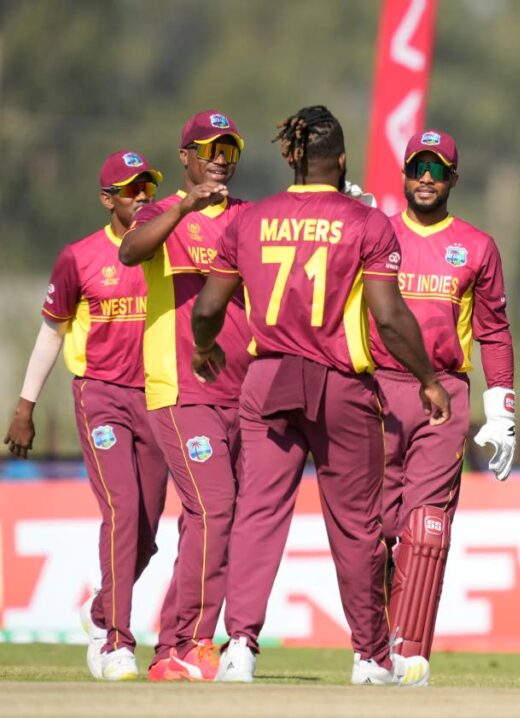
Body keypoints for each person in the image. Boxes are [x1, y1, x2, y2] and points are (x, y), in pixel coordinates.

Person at [191, 105, 450, 687]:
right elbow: (389, 315)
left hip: (267, 377)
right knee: (355, 524)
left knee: (257, 514)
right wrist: (429, 379)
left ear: (290, 157)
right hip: (341, 383)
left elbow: (207, 308)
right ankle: (369, 657)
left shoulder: (248, 220)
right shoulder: (366, 221)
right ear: (343, 160)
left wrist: (202, 348)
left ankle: (240, 648)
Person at [3, 151, 169, 681]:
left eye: (147, 186)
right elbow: (52, 330)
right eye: (130, 189)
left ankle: (100, 609)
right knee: (122, 510)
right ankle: (116, 642)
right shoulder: (79, 257)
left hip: (159, 397)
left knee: (146, 531)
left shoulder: (167, 248)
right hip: (101, 395)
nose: (141, 196)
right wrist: (25, 405)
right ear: (107, 199)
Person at [368, 130, 515, 669]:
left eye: (437, 169)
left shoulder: (476, 246)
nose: (426, 178)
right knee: (376, 532)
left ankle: (409, 656)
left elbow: (495, 332)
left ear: (453, 178)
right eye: (417, 168)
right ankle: (372, 649)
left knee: (427, 527)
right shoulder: (375, 233)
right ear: (404, 175)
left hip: (444, 396)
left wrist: (502, 410)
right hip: (377, 389)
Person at [118, 110, 251, 681]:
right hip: (182, 388)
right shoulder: (162, 213)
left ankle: (174, 644)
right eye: (208, 147)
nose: (220, 157)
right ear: (186, 157)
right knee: (213, 508)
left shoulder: (250, 218)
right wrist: (183, 207)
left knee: (217, 518)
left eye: (229, 148)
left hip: (246, 393)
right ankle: (189, 642)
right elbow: (129, 251)